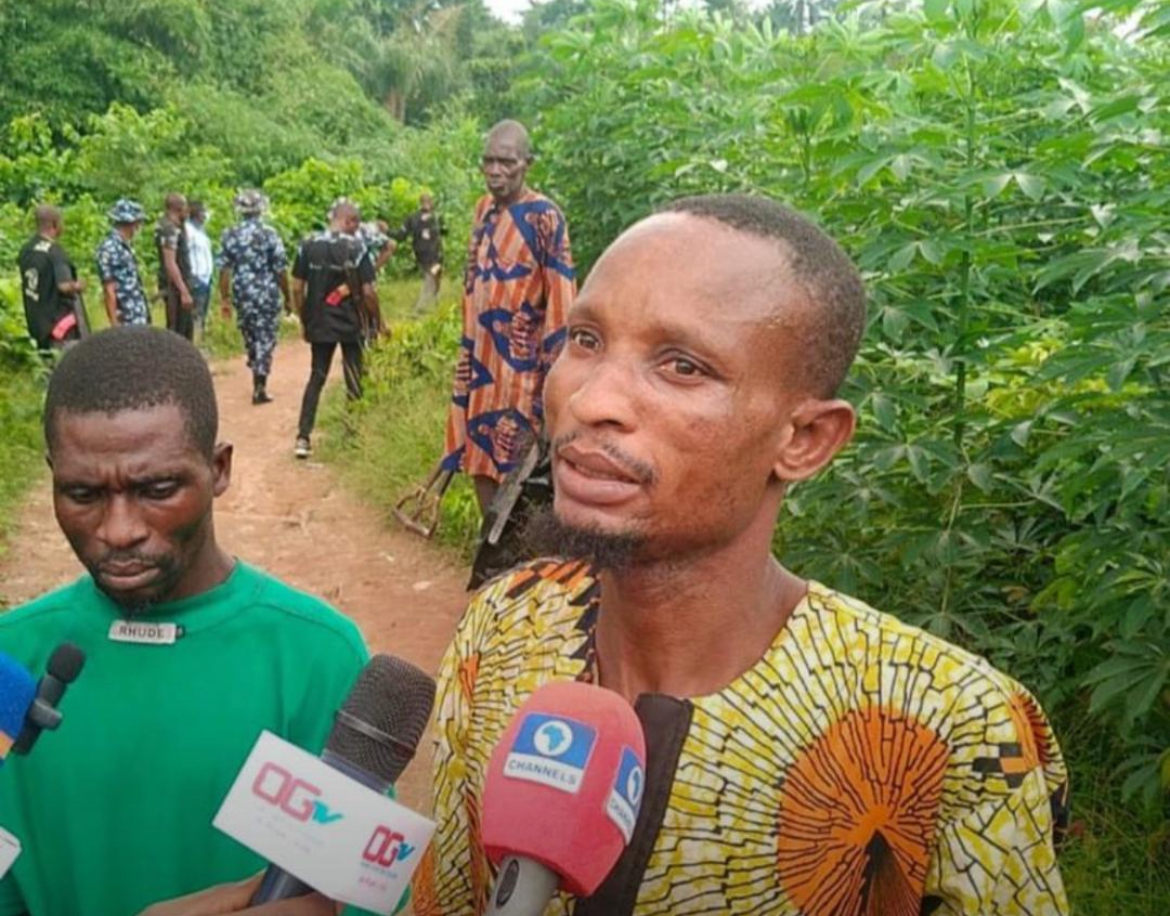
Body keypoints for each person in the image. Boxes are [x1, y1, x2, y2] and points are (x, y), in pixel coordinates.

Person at [413, 195, 1070, 916]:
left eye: (683, 366)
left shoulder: (948, 726)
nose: (592, 399)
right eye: (586, 340)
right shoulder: (504, 627)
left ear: (806, 441)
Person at [0, 327, 369, 916]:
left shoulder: (318, 660)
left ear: (218, 469)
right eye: (81, 493)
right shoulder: (9, 661)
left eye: (158, 488)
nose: (119, 530)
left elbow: (354, 898)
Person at [438, 120, 575, 515]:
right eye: (488, 162)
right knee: (480, 464)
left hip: (523, 380)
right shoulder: (483, 212)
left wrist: (555, 392)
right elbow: (471, 290)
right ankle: (491, 563)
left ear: (527, 163)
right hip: (481, 371)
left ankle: (518, 568)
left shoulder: (545, 218)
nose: (495, 171)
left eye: (506, 162)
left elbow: (561, 307)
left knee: (521, 481)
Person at [292, 199, 382, 460]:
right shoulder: (357, 246)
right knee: (354, 375)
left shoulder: (307, 244)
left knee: (317, 376)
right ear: (349, 220)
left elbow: (297, 286)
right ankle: (353, 433)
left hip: (318, 320)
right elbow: (368, 291)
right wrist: (377, 321)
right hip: (349, 322)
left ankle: (303, 437)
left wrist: (303, 317)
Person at [218, 190, 291, 405]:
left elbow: (224, 270)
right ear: (261, 209)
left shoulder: (230, 234)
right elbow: (280, 269)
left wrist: (225, 298)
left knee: (250, 335)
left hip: (243, 293)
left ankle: (256, 370)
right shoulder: (269, 234)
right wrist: (287, 296)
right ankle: (260, 383)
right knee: (265, 336)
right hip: (266, 293)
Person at [16, 205, 86, 355]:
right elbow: (64, 286)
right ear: (55, 224)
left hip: (36, 323)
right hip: (59, 325)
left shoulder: (27, 249)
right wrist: (78, 285)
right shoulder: (55, 252)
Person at [95, 198, 150, 327]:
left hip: (137, 315)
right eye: (138, 222)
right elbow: (109, 289)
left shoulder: (125, 247)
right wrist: (114, 323)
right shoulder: (109, 248)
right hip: (125, 317)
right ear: (131, 223)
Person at [391, 193, 445, 314]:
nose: (426, 204)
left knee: (436, 274)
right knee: (430, 275)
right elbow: (401, 235)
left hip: (436, 252)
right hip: (423, 252)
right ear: (420, 203)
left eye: (428, 201)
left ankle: (435, 301)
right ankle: (421, 306)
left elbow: (444, 231)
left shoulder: (437, 217)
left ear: (431, 202)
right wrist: (386, 232)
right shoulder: (413, 218)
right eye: (424, 201)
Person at [155, 192, 196, 340]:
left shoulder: (174, 227)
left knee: (185, 329)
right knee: (178, 332)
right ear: (178, 209)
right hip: (175, 289)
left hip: (179, 286)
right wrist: (183, 291)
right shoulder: (169, 229)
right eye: (185, 208)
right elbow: (170, 262)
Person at [185, 199, 215, 335]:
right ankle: (195, 342)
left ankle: (199, 338)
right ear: (196, 214)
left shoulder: (201, 231)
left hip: (205, 279)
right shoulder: (188, 231)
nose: (205, 215)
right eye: (203, 212)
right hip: (196, 278)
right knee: (196, 315)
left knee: (202, 314)